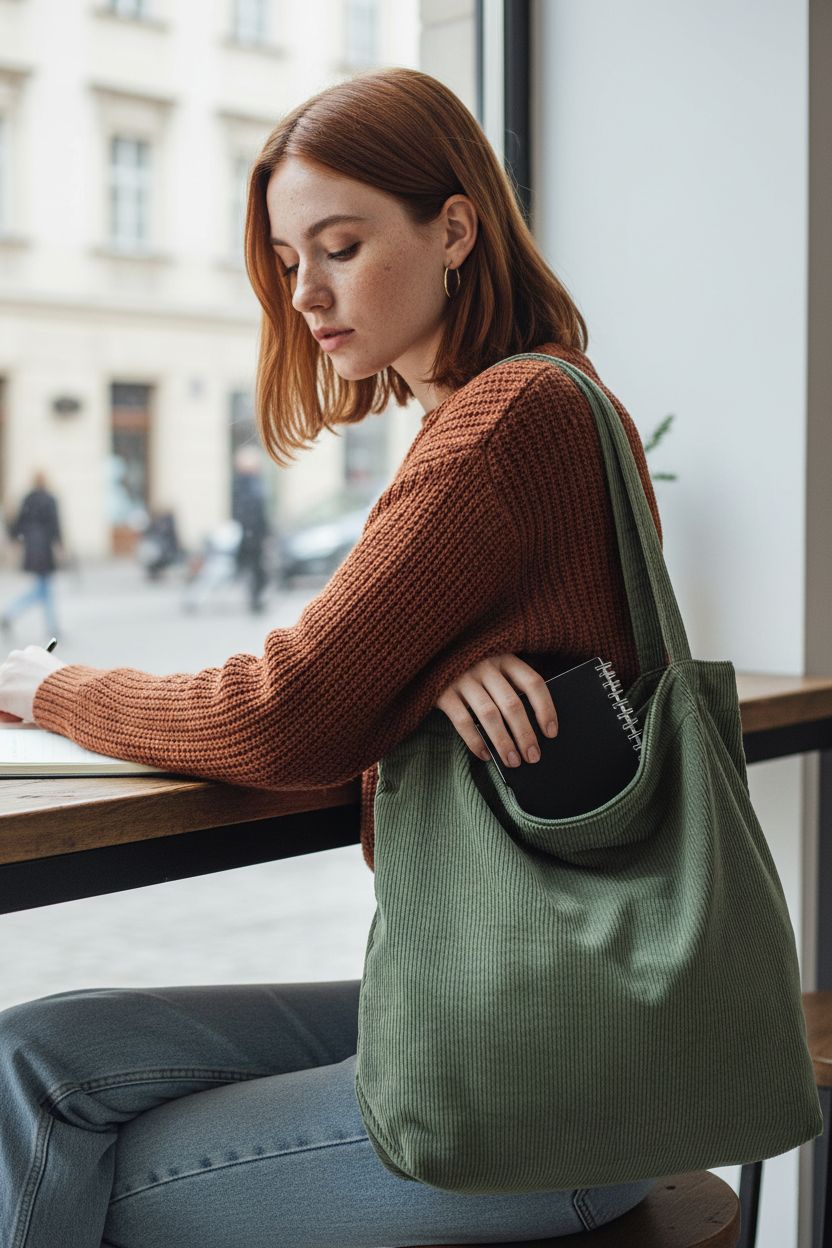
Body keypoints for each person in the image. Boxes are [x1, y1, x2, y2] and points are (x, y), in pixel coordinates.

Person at [0, 67, 664, 1248]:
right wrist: (418, 678)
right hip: (493, 1011)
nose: (304, 292)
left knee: (56, 1147)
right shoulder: (550, 403)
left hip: (553, 1089)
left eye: (341, 247)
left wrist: (44, 685)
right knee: (34, 1055)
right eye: (286, 258)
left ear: (454, 226)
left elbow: (278, 717)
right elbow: (341, 686)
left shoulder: (503, 425)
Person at [0, 470, 63, 641]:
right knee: (43, 590)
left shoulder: (28, 499)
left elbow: (19, 524)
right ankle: (12, 614)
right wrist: (60, 545)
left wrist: (15, 539)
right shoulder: (50, 499)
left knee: (43, 589)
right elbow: (55, 525)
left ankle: (11, 614)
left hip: (32, 548)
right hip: (44, 549)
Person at [231, 446, 270, 612]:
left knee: (256, 569)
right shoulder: (246, 484)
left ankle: (256, 599)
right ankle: (255, 600)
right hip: (251, 534)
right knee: (255, 569)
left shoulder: (250, 483)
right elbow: (249, 510)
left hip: (253, 534)